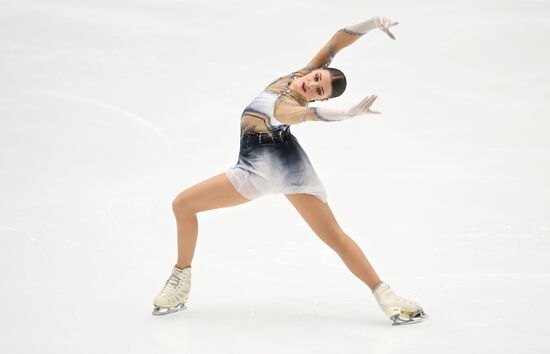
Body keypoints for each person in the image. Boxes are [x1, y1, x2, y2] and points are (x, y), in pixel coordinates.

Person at [152, 15, 428, 326]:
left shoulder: (288, 107)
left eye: (317, 89)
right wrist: (372, 23)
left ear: (316, 97)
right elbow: (337, 40)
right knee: (333, 236)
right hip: (288, 159)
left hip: (259, 170)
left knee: (183, 204)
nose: (311, 84)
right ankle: (181, 281)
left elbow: (312, 116)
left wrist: (347, 113)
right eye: (317, 78)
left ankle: (387, 296)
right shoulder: (300, 75)